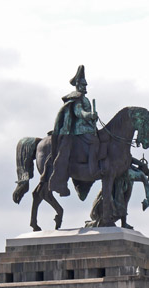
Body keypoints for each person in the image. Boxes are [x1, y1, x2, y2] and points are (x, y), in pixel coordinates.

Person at [44, 65, 101, 197]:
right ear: (77, 85)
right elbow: (78, 112)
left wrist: (94, 118)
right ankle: (93, 168)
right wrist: (88, 115)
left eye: (86, 85)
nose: (85, 87)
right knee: (94, 142)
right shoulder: (76, 98)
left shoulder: (85, 98)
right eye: (82, 85)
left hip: (87, 128)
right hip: (79, 130)